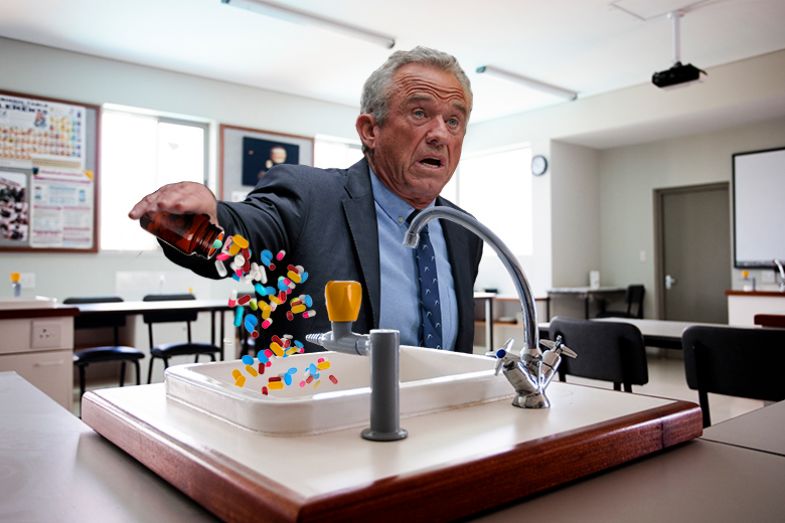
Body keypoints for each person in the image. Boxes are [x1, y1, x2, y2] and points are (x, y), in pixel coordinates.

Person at [129, 46, 483, 353]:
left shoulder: (464, 232)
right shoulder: (309, 197)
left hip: (441, 425)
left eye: (454, 120)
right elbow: (242, 235)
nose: (440, 134)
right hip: (324, 421)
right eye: (420, 113)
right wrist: (209, 219)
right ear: (370, 130)